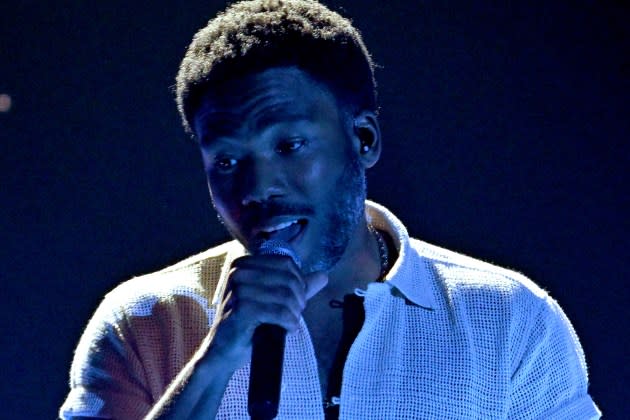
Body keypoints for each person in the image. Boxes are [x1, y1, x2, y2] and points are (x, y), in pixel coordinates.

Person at [59, 1, 601, 418]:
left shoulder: (508, 320)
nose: (257, 187)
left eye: (288, 146)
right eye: (225, 161)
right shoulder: (142, 322)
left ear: (363, 139)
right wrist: (218, 356)